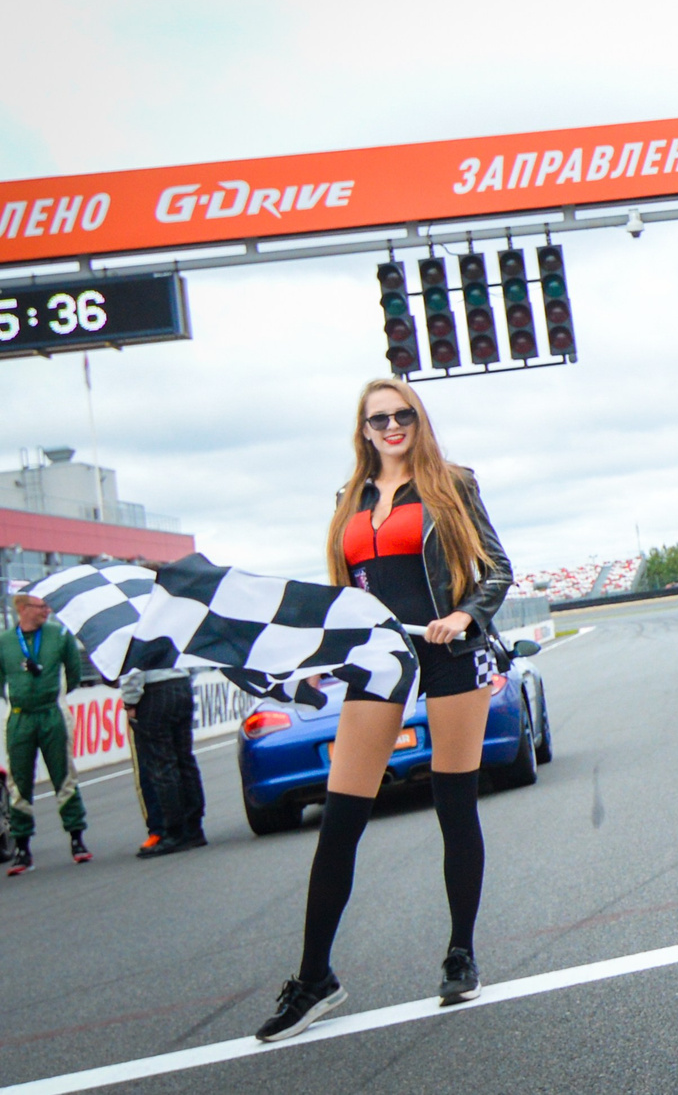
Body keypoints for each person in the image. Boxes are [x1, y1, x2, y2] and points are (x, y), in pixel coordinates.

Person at [255, 378, 511, 1042]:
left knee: (454, 806)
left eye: (403, 415)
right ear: (364, 430)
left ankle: (460, 953)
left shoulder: (452, 483)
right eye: (379, 419)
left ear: (418, 420)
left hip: (450, 652)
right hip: (380, 659)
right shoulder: (350, 498)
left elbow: (498, 570)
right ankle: (314, 977)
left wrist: (464, 616)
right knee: (340, 818)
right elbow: (347, 594)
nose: (393, 426)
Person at [2, 592, 92, 874]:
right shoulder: (4, 641)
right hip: (19, 717)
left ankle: (77, 839)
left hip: (52, 713)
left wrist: (55, 695)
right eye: (41, 607)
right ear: (22, 609)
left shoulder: (59, 635)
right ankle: (22, 847)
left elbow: (74, 674)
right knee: (18, 782)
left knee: (64, 775)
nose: (47, 611)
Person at [121, 659, 206, 857]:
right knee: (185, 760)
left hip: (155, 692)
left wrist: (130, 700)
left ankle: (175, 832)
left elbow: (134, 667)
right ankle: (194, 828)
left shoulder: (138, 636)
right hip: (182, 684)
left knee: (162, 765)